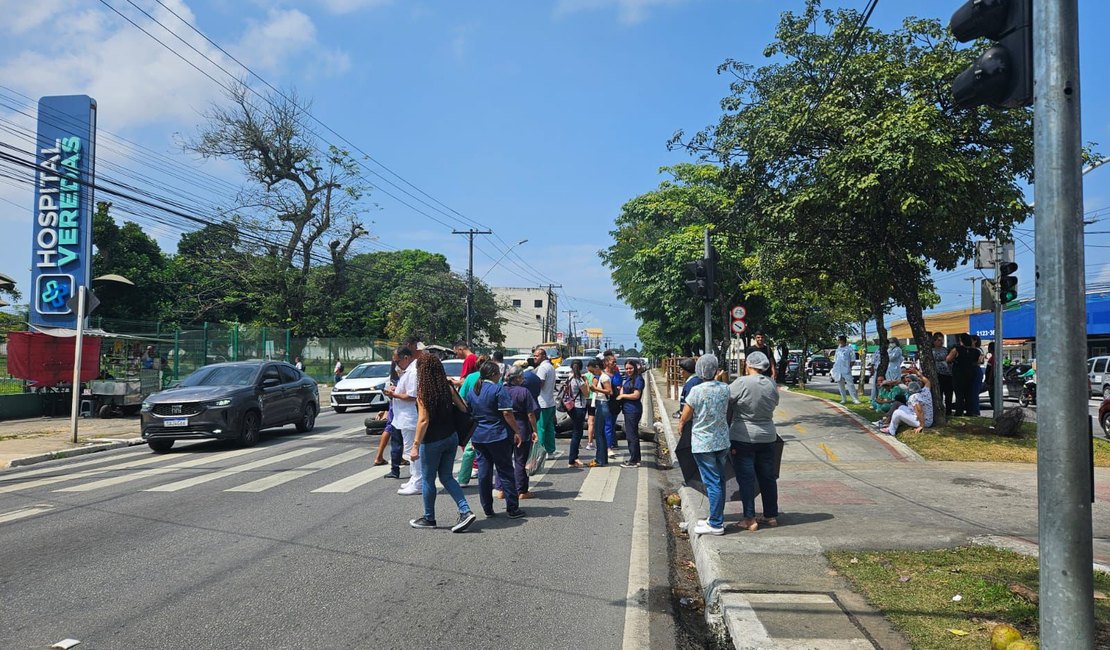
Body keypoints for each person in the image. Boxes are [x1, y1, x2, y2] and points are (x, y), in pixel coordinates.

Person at [407, 355, 477, 532]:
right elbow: (463, 408)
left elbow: (423, 420)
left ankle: (429, 518)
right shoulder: (447, 387)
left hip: (432, 441)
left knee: (428, 479)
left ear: (422, 371)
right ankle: (465, 511)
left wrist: (415, 445)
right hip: (451, 437)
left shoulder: (424, 391)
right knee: (446, 477)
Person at [465, 361, 526, 519]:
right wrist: (517, 431)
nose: (500, 375)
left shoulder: (473, 391)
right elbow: (507, 413)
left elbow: (469, 413)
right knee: (505, 471)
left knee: (484, 473)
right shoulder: (498, 389)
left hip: (479, 436)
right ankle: (512, 508)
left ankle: (487, 508)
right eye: (498, 373)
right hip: (497, 435)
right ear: (493, 374)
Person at [678, 354, 730, 536]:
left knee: (711, 482)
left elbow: (686, 415)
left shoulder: (697, 391)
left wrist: (681, 424)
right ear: (716, 370)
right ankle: (716, 517)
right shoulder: (725, 389)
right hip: (722, 441)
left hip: (703, 442)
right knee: (719, 480)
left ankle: (716, 524)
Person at [728, 350, 781, 531]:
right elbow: (775, 403)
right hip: (767, 436)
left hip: (743, 436)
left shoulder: (741, 382)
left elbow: (726, 400)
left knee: (746, 478)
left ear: (748, 364)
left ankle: (749, 518)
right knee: (768, 477)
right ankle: (771, 515)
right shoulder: (772, 384)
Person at [496, 365, 539, 499]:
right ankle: (521, 491)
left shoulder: (501, 390)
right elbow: (531, 413)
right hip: (521, 427)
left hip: (504, 428)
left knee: (504, 460)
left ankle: (501, 489)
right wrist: (534, 430)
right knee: (521, 461)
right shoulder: (524, 392)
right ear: (519, 378)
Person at [383, 347, 415, 482]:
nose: (396, 365)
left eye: (398, 361)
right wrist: (395, 390)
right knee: (397, 443)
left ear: (406, 358)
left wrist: (394, 394)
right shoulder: (405, 370)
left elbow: (412, 395)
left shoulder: (413, 372)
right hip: (399, 415)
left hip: (409, 417)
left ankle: (416, 478)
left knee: (411, 450)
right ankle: (395, 470)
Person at [883, 368, 934, 436]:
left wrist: (922, 425)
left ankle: (891, 430)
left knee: (897, 412)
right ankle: (889, 424)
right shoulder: (925, 391)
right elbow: (927, 382)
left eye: (909, 382)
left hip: (924, 421)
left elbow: (919, 410)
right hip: (927, 419)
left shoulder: (914, 397)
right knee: (901, 407)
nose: (907, 383)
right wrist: (917, 372)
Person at [615, 359, 645, 468]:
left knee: (631, 435)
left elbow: (636, 395)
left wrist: (623, 396)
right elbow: (623, 388)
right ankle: (636, 458)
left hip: (633, 410)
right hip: (627, 410)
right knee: (632, 434)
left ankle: (633, 460)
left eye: (630, 368)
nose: (628, 370)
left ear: (635, 368)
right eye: (627, 368)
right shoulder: (629, 378)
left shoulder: (638, 379)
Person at [373, 356, 401, 467]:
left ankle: (398, 456)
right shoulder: (400, 370)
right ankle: (379, 456)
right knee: (392, 428)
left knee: (393, 428)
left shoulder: (395, 372)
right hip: (398, 403)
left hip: (395, 402)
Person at [946, 333, 981, 417]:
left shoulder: (957, 349)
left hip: (958, 374)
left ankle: (959, 412)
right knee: (968, 394)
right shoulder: (976, 351)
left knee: (959, 394)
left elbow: (948, 359)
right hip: (970, 374)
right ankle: (969, 411)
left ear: (961, 340)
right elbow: (978, 362)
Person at [565, 359, 590, 467]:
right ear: (580, 368)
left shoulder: (569, 378)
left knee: (576, 432)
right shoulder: (579, 380)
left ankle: (574, 457)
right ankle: (573, 459)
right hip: (579, 407)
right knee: (577, 433)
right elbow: (587, 394)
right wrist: (587, 382)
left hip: (570, 407)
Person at [533, 347, 558, 457]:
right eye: (534, 355)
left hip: (542, 402)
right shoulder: (550, 366)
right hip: (550, 402)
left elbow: (540, 383)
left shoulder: (543, 368)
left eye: (537, 356)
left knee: (541, 428)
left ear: (543, 356)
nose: (535, 358)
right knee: (549, 428)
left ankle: (540, 451)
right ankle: (550, 450)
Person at [587, 358, 611, 467]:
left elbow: (609, 391)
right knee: (599, 433)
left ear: (597, 367)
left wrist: (595, 388)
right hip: (599, 403)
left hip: (603, 404)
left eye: (592, 371)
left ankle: (600, 459)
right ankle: (602, 458)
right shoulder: (599, 377)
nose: (592, 373)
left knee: (598, 432)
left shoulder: (604, 377)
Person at [603, 351, 624, 457]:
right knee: (607, 425)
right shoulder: (602, 376)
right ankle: (608, 447)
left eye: (615, 362)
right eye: (613, 362)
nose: (615, 364)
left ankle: (608, 445)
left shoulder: (617, 375)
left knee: (611, 425)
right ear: (606, 363)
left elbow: (620, 387)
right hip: (605, 403)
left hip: (615, 403)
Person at [830, 335, 861, 405]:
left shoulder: (849, 349)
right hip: (838, 370)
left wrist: (849, 367)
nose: (838, 341)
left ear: (842, 340)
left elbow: (853, 360)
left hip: (846, 369)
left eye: (839, 340)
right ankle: (843, 399)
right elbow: (836, 359)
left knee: (850, 385)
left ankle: (855, 399)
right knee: (840, 385)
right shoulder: (837, 350)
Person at [931, 332, 954, 416]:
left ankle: (949, 411)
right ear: (934, 341)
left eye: (942, 340)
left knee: (949, 394)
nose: (941, 342)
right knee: (939, 394)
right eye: (939, 340)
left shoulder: (946, 350)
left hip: (948, 374)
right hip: (938, 374)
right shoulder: (931, 351)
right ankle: (939, 411)